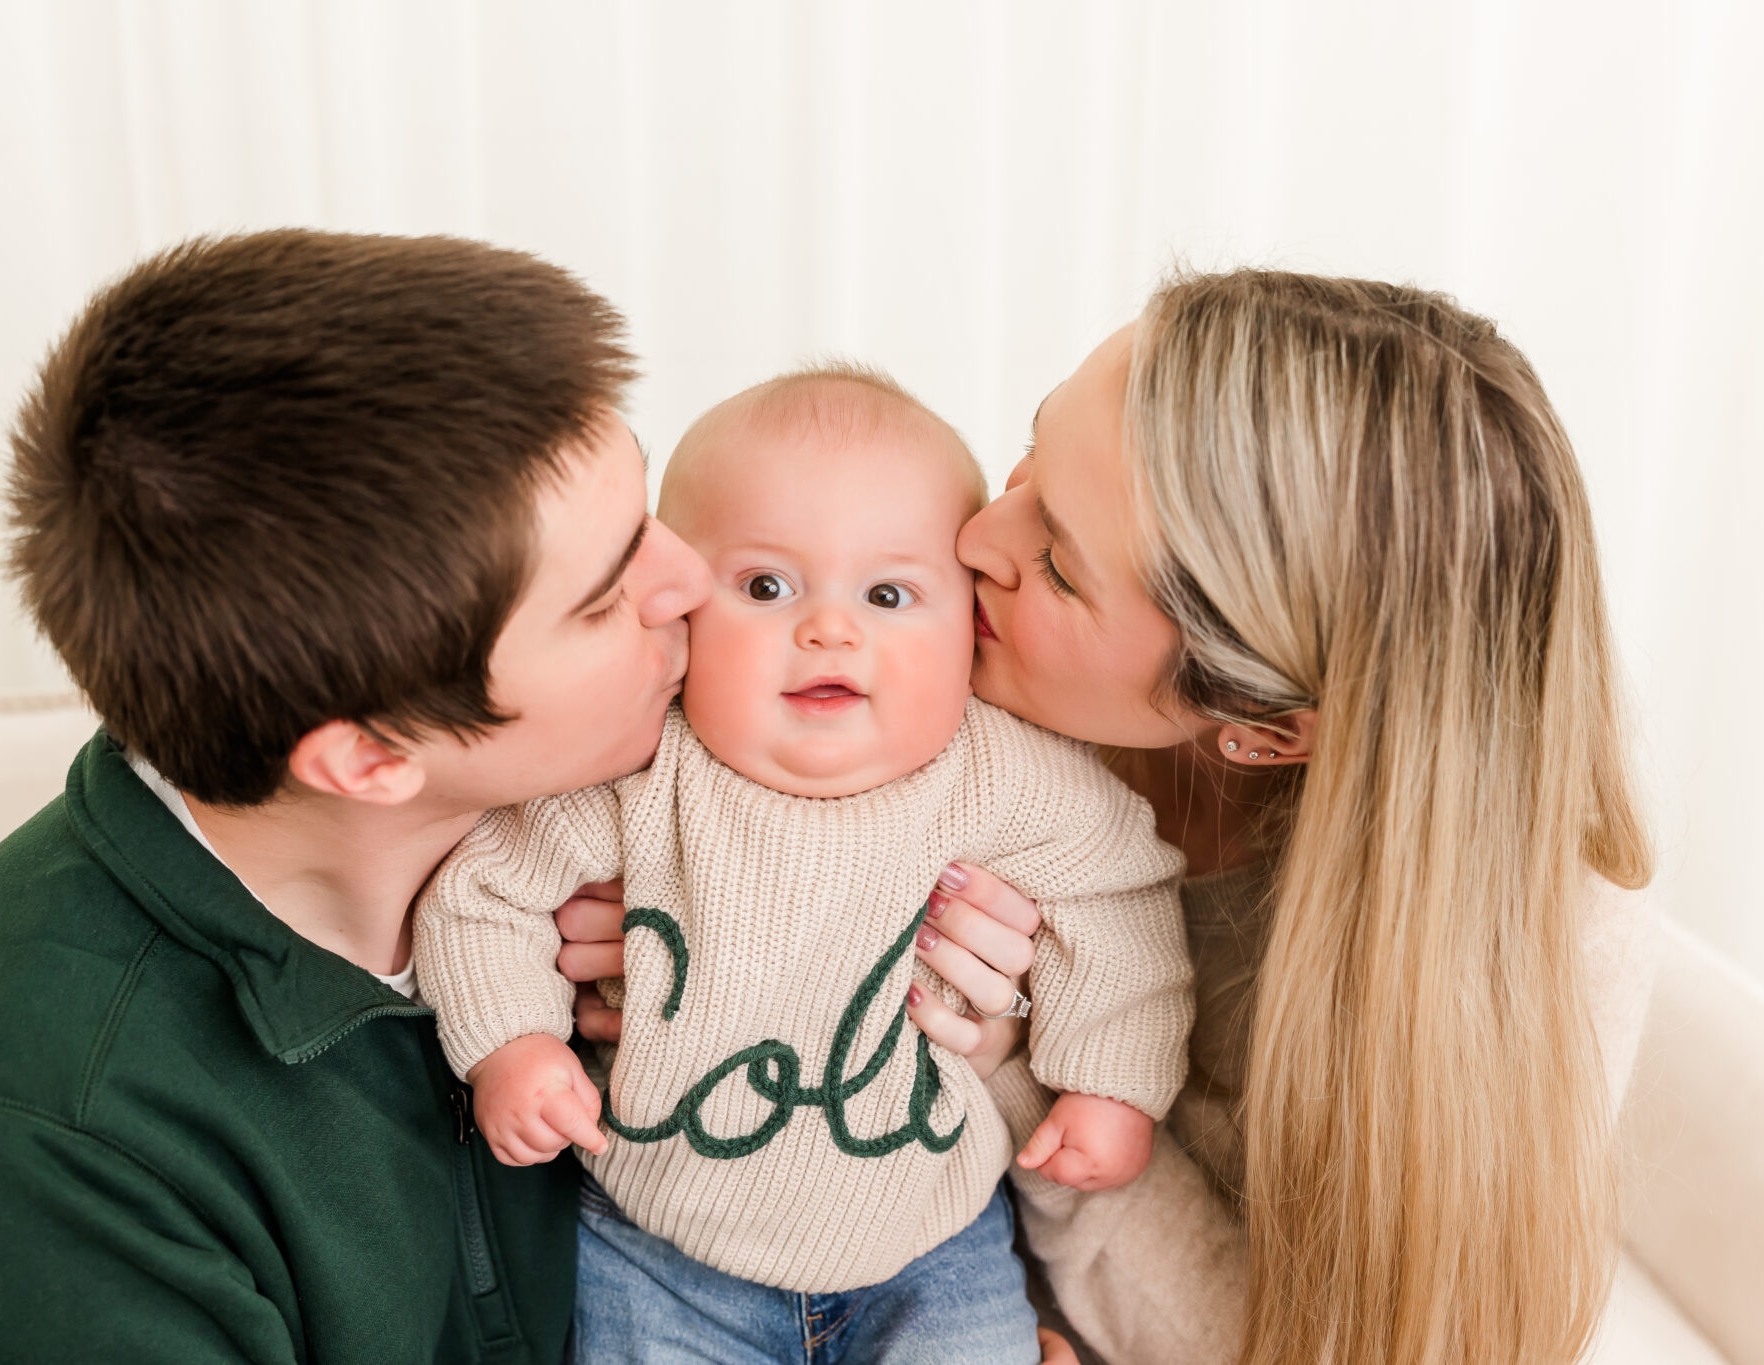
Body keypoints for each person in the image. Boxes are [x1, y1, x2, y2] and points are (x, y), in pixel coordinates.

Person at [563, 271, 1659, 1365]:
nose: (976, 539)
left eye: (1056, 565)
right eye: (1030, 455)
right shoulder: (907, 703)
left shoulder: (1543, 945)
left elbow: (1362, 1341)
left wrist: (1002, 1058)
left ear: (1264, 726)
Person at [0, 230, 713, 1364]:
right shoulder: (32, 1147)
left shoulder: (636, 805)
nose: (694, 579)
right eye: (607, 596)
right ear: (373, 758)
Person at [414, 367, 1195, 1363]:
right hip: (659, 1249)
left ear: (966, 620)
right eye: (766, 587)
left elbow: (1117, 903)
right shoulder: (639, 767)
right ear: (678, 604)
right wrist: (512, 1046)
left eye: (886, 593)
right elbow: (484, 893)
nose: (829, 629)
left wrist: (1106, 1085)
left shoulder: (1003, 774)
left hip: (932, 1246)